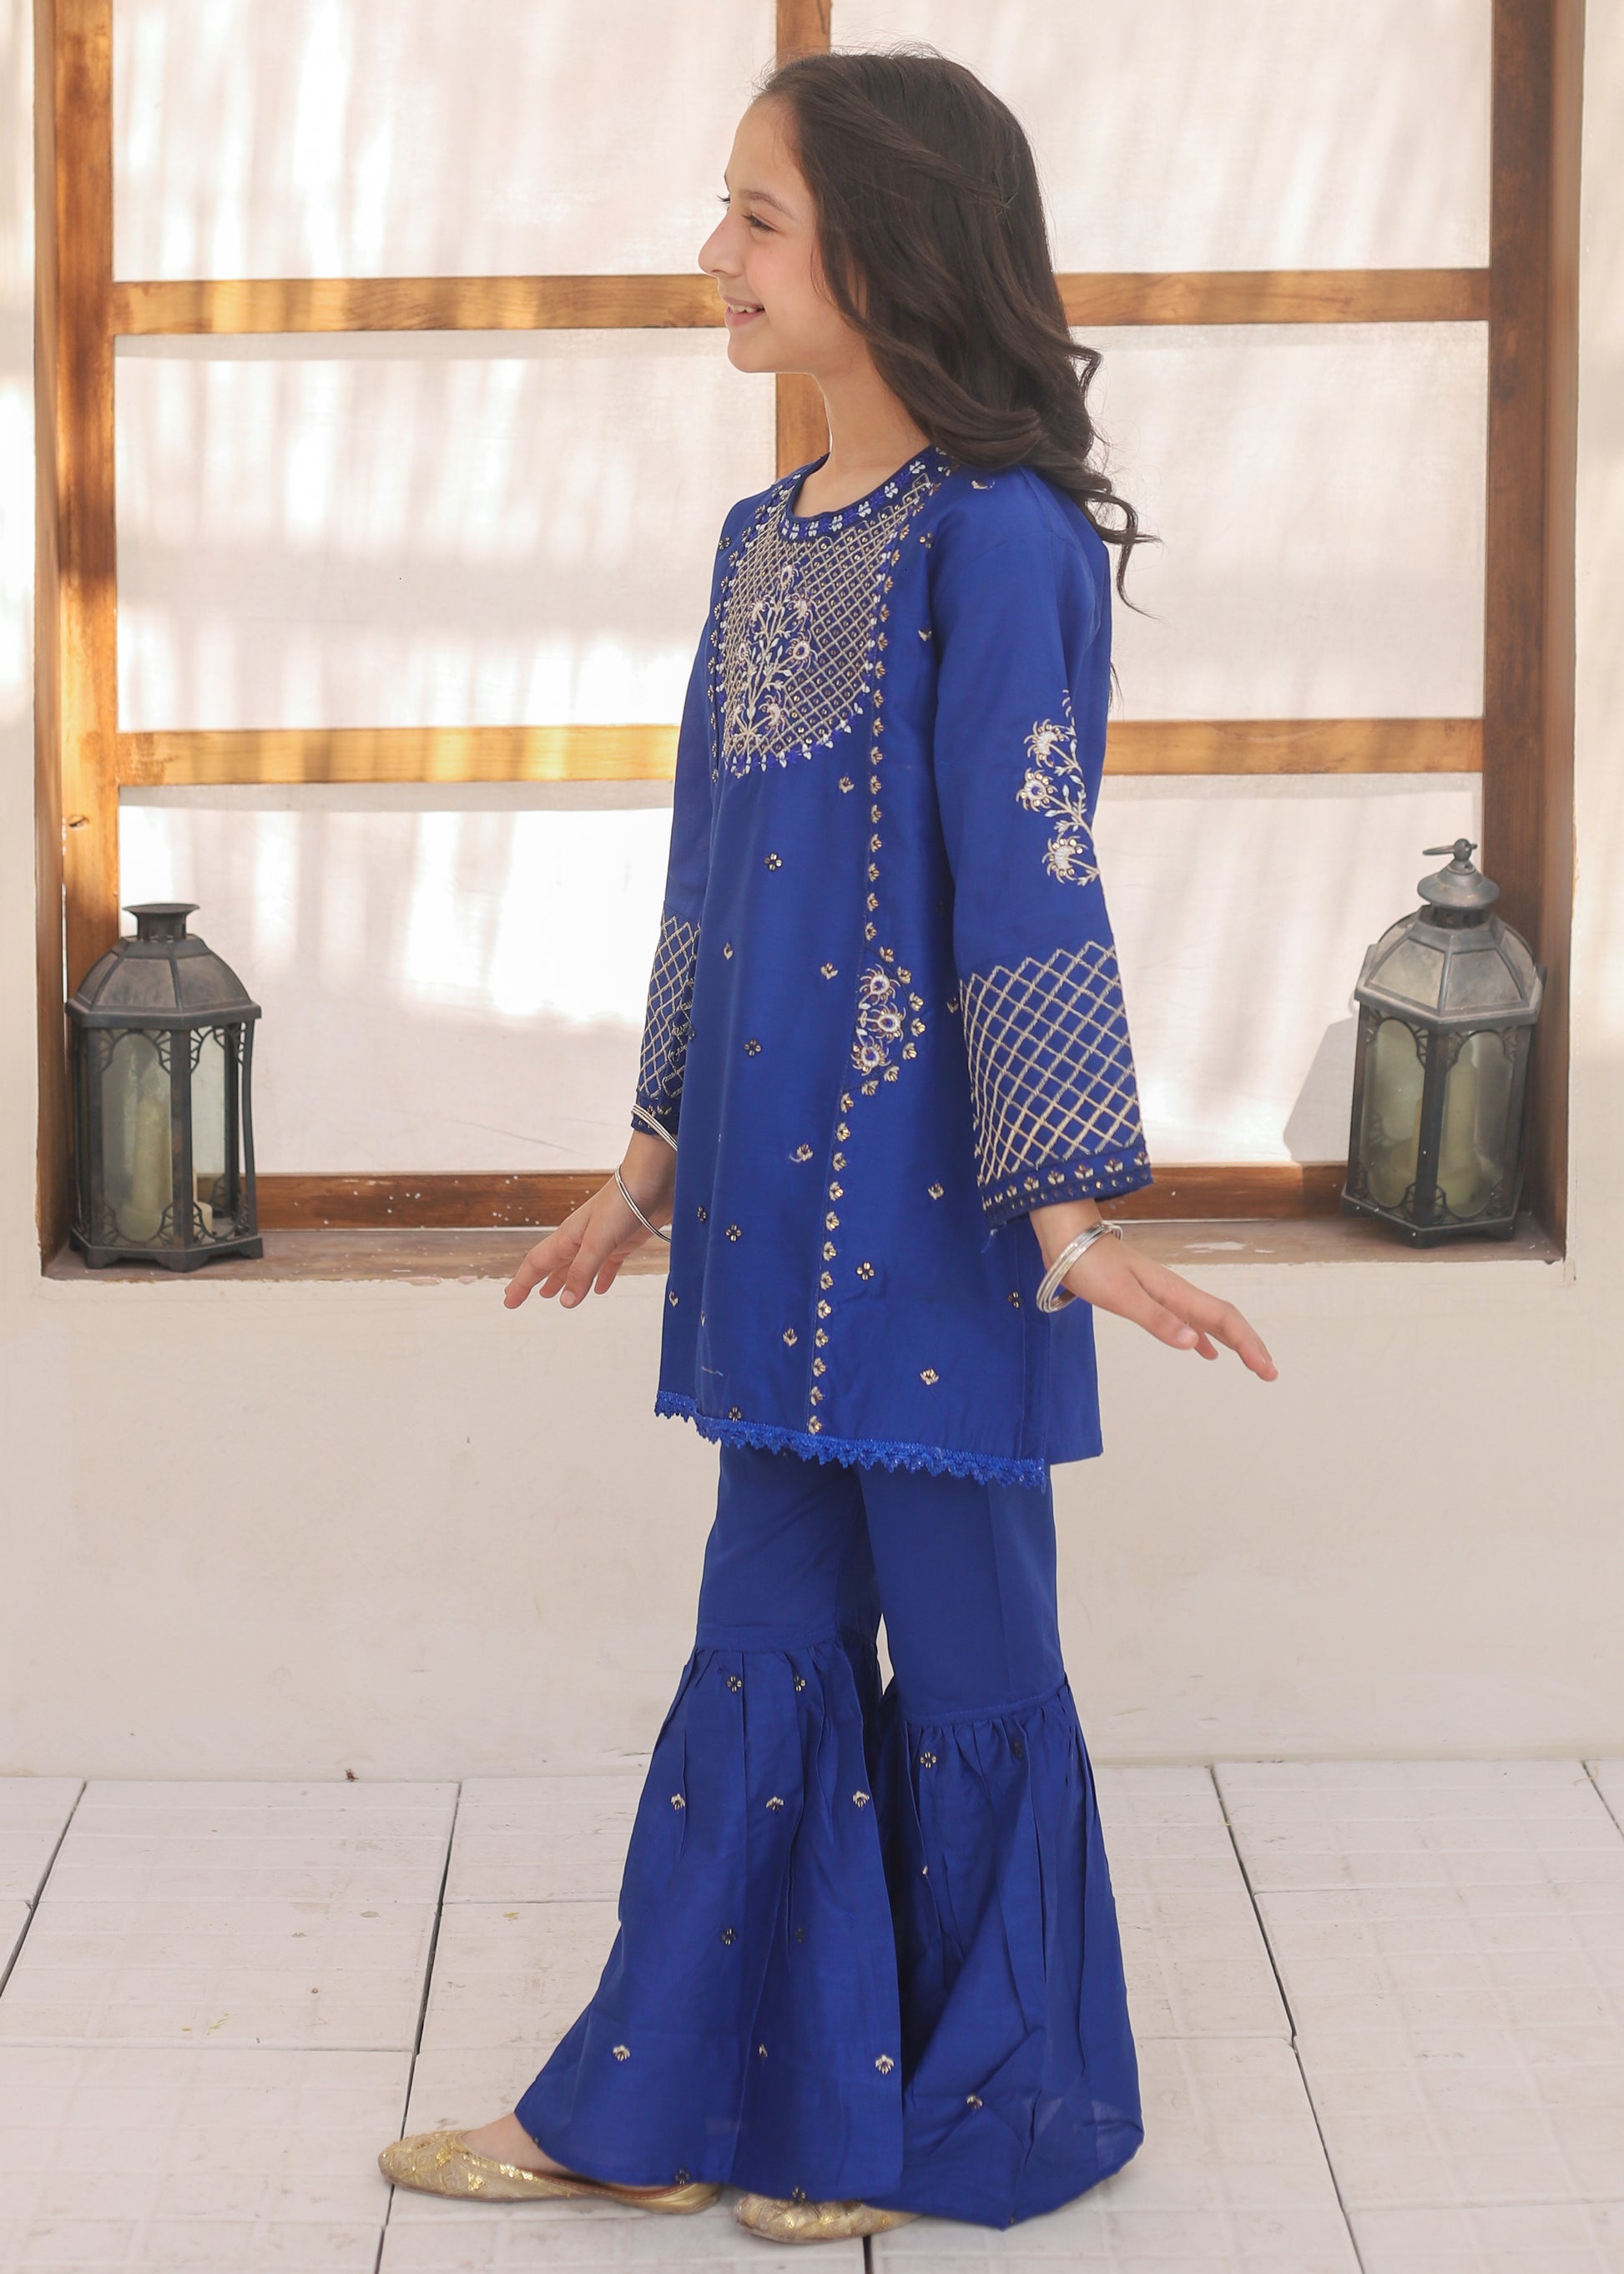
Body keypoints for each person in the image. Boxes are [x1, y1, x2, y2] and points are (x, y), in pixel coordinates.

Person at [381, 43, 1276, 2245]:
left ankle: (986, 2119)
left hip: (953, 1235)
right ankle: (664, 2108)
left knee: (969, 1669)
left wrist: (1067, 1219)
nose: (714, 252)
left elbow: (1031, 875)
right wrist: (646, 1167)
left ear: (881, 253)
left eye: (754, 217)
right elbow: (708, 885)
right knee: (759, 1650)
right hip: (771, 1228)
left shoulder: (1002, 541)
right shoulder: (760, 540)